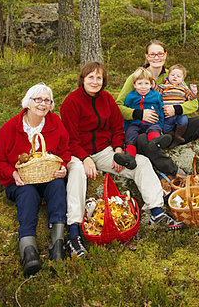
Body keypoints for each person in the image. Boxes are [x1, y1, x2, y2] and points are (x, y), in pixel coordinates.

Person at [60, 61, 184, 258]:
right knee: (76, 175)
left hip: (103, 150)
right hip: (76, 153)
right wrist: (84, 158)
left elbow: (117, 128)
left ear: (104, 81)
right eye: (90, 77)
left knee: (141, 162)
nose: (95, 81)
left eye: (99, 78)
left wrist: (119, 151)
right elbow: (68, 137)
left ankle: (156, 212)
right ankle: (74, 233)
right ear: (82, 79)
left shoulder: (107, 100)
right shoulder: (71, 102)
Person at [116, 40, 199, 199]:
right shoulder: (136, 77)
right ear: (147, 56)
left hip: (172, 127)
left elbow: (193, 102)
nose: (156, 57)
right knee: (142, 140)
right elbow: (118, 105)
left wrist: (176, 109)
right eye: (152, 54)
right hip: (147, 129)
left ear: (165, 55)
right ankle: (181, 175)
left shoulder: (173, 74)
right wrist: (140, 114)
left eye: (160, 53)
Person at [0, 83, 70, 277]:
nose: (42, 104)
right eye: (37, 99)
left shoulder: (55, 122)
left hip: (47, 177)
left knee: (58, 185)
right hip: (20, 182)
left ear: (51, 104)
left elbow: (65, 151)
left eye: (47, 100)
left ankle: (57, 242)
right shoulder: (10, 128)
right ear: (28, 101)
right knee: (27, 192)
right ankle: (28, 248)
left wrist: (63, 166)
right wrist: (11, 173)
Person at [113, 67, 172, 170]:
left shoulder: (156, 96)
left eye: (146, 83)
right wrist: (126, 128)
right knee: (131, 134)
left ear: (151, 84)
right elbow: (126, 113)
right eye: (140, 84)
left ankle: (156, 141)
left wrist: (161, 127)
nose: (143, 87)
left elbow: (161, 112)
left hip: (152, 123)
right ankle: (129, 157)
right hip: (135, 124)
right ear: (134, 85)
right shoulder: (130, 97)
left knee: (154, 128)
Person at [156, 63, 197, 149]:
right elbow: (156, 95)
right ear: (168, 75)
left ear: (183, 79)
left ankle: (178, 136)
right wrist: (153, 86)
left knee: (183, 121)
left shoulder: (184, 88)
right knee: (166, 127)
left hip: (179, 113)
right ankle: (170, 136)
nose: (175, 77)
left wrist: (194, 92)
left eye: (178, 76)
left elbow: (190, 98)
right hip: (167, 113)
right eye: (172, 75)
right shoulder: (163, 86)